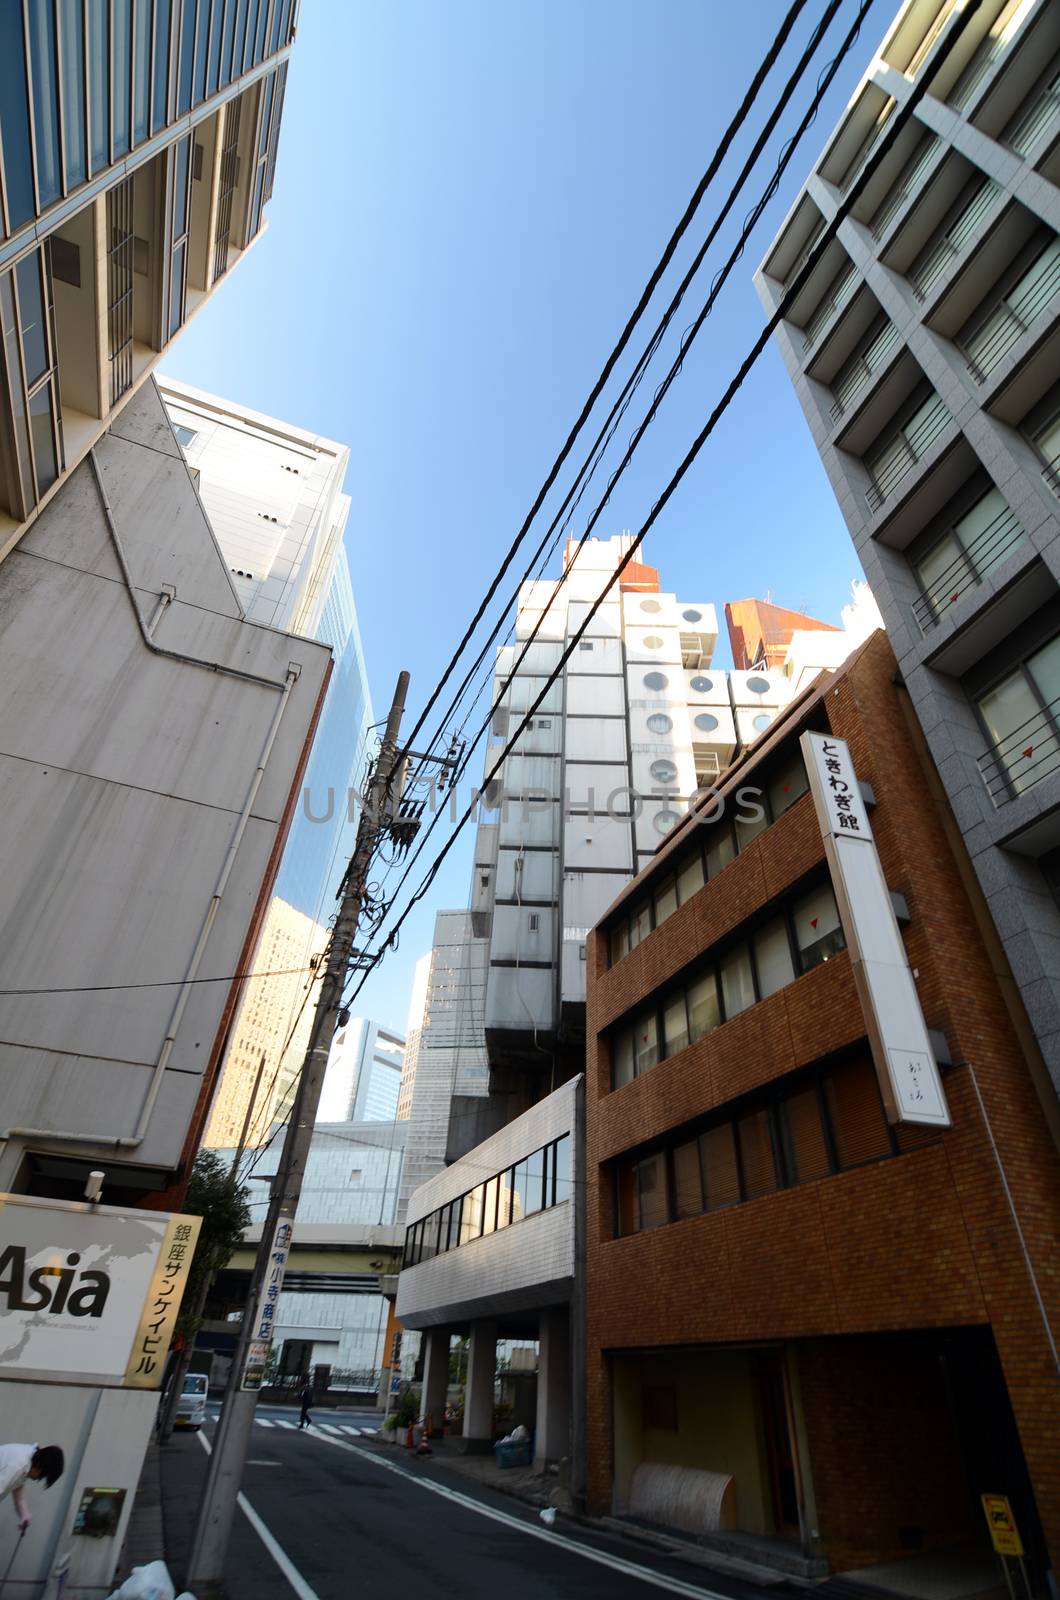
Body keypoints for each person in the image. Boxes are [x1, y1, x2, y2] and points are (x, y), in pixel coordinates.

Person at [0, 1444, 64, 1530]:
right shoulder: (18, 1466)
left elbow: (17, 1486)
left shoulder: (29, 1458)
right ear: (39, 1467)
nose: (39, 1479)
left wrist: (24, 1514)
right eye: (43, 1476)